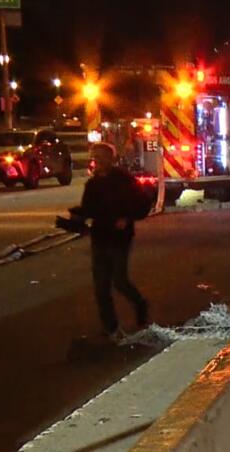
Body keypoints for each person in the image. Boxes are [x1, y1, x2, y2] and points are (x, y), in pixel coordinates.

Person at [67, 142, 151, 342]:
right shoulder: (93, 184)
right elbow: (89, 208)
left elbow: (142, 204)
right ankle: (111, 327)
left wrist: (126, 217)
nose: (98, 160)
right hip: (100, 237)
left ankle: (140, 303)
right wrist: (76, 218)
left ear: (111, 158)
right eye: (95, 156)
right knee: (101, 286)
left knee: (119, 280)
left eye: (102, 156)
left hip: (120, 238)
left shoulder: (123, 180)